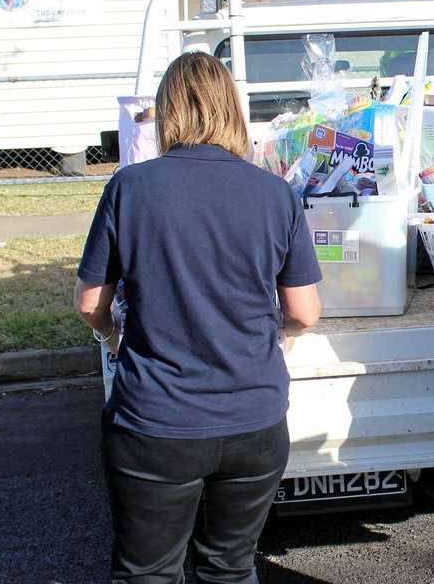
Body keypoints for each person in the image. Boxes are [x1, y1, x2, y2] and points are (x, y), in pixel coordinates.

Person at [75, 52, 323, 583]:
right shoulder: (275, 193)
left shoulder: (130, 188)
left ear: (168, 112)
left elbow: (90, 302)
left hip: (156, 420)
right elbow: (304, 311)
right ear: (232, 110)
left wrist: (115, 338)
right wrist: (275, 334)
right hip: (254, 419)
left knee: (149, 572)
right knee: (230, 569)